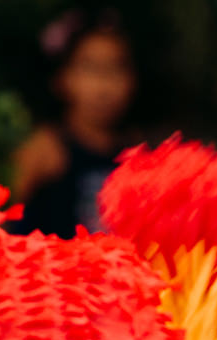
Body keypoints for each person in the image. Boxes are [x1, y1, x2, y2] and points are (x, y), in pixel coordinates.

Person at [10, 11, 135, 237]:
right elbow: (0, 216)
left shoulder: (135, 154)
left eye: (116, 68)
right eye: (90, 68)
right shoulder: (45, 149)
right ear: (62, 78)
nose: (104, 84)